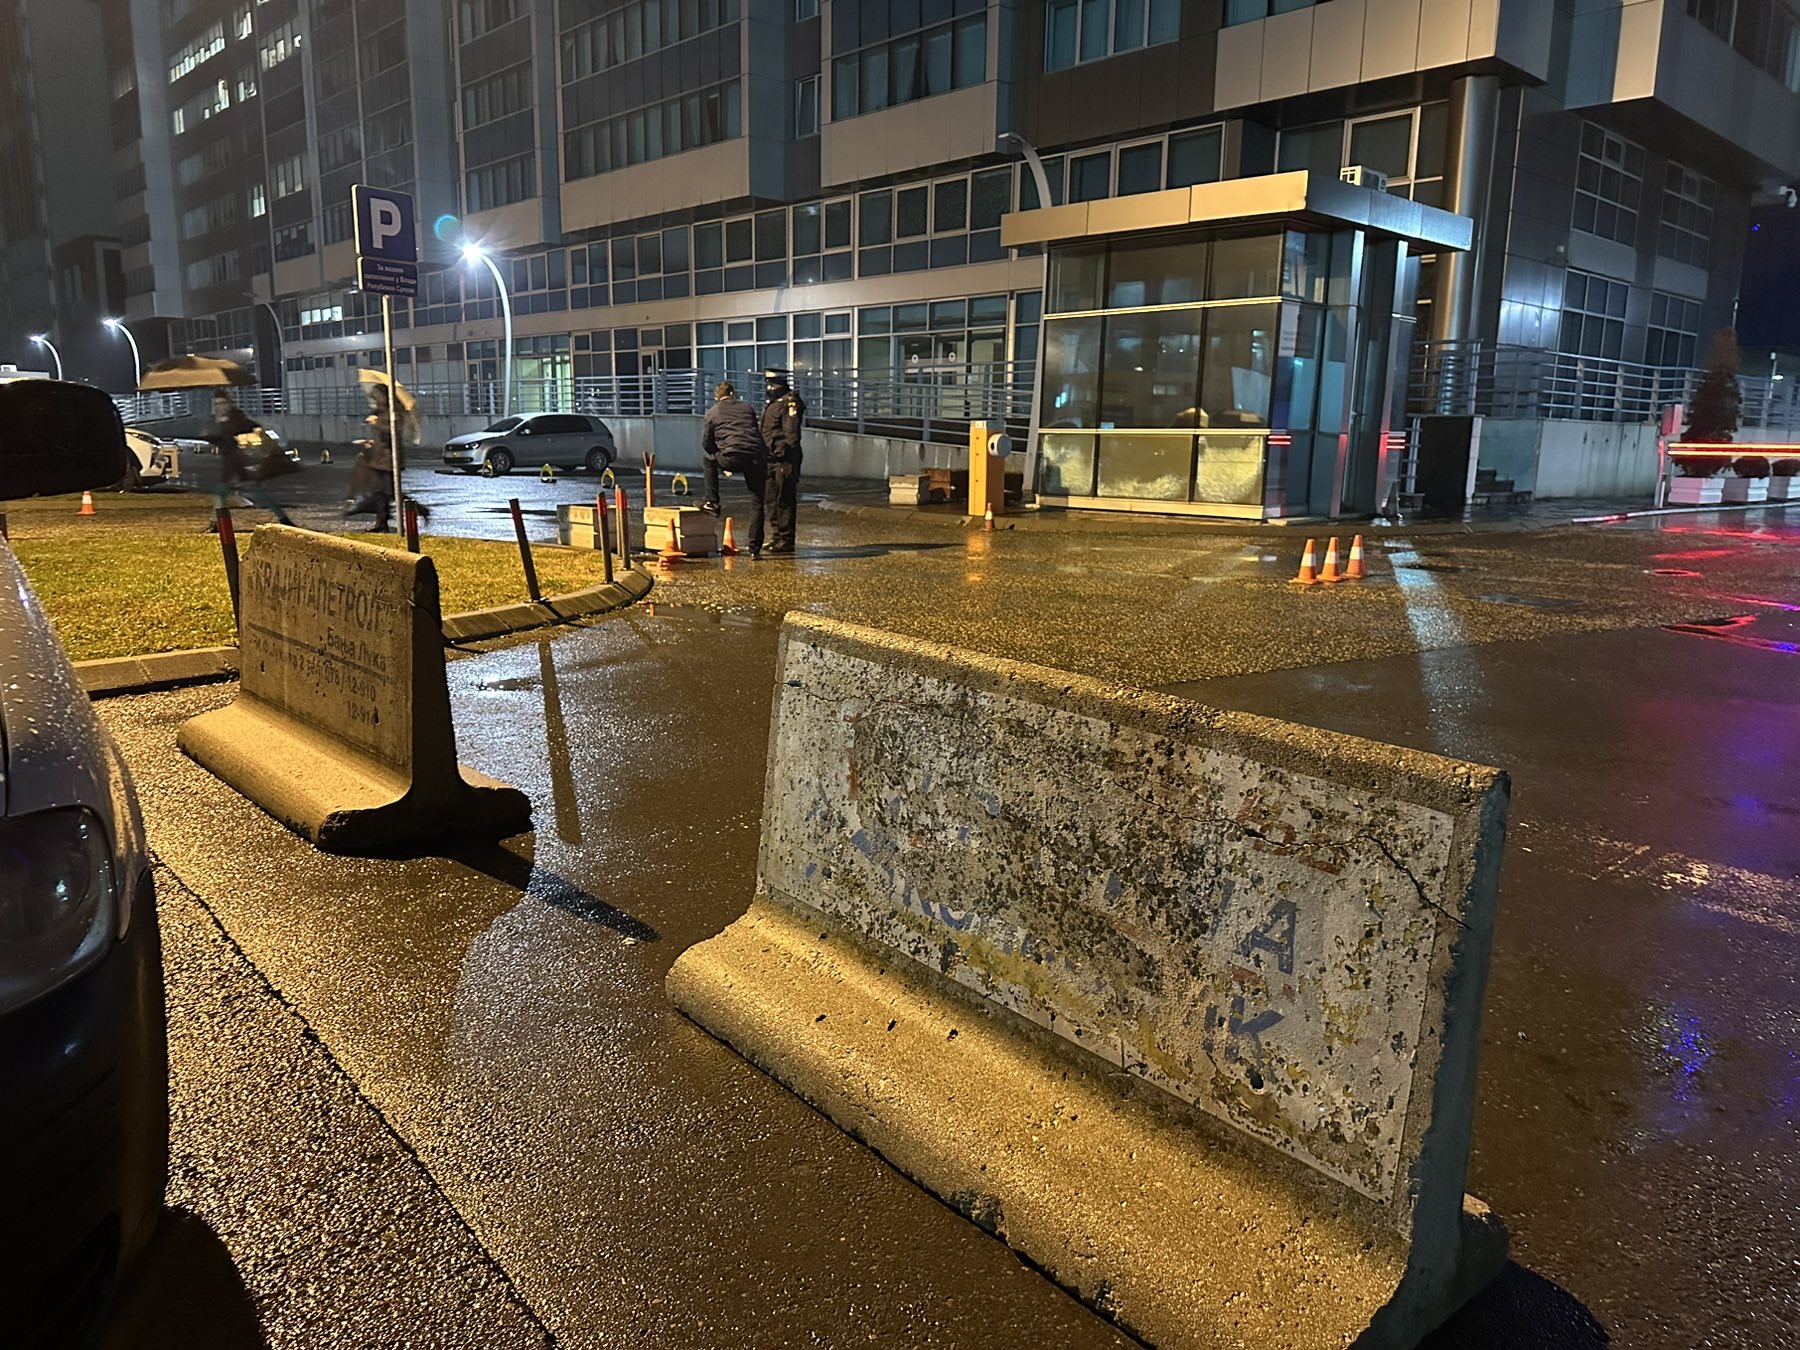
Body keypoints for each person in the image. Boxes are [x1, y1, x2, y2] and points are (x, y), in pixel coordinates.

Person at [699, 380, 768, 559]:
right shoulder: (747, 408)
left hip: (732, 456)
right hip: (756, 457)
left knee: (708, 459)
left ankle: (712, 501)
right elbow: (754, 432)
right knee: (757, 502)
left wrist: (721, 457)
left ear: (717, 397)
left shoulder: (713, 412)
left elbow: (706, 444)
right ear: (734, 393)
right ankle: (754, 549)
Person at [205, 389, 292, 530]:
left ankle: (216, 524)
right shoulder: (223, 419)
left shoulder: (235, 417)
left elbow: (246, 429)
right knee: (250, 493)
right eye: (216, 404)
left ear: (229, 403)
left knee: (222, 494)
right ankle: (284, 519)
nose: (219, 406)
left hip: (238, 464)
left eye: (222, 403)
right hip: (233, 464)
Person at [759, 368, 805, 554]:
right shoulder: (772, 402)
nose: (769, 388)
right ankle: (776, 535)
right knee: (771, 499)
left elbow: (791, 434)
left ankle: (786, 539)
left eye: (772, 384)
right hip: (770, 458)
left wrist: (788, 461)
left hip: (784, 459)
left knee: (784, 499)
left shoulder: (789, 402)